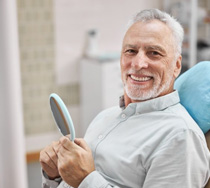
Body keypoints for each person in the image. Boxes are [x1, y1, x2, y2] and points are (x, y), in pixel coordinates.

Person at [40, 9, 210, 188]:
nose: (137, 64)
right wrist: (55, 176)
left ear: (176, 66)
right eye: (131, 51)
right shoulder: (105, 117)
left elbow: (83, 180)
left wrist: (86, 180)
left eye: (154, 53)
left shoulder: (180, 137)